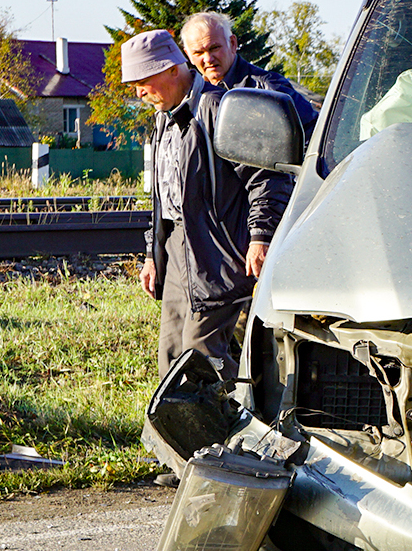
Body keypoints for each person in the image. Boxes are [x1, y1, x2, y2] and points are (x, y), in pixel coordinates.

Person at [121, 29, 293, 467]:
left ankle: (237, 456)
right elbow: (162, 196)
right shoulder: (164, 117)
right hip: (178, 248)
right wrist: (152, 254)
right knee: (171, 355)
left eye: (144, 81)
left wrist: (260, 236)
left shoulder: (218, 108)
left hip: (217, 250)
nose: (140, 93)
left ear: (170, 70)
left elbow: (264, 178)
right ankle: (177, 460)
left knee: (202, 355)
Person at [179, 11, 319, 129]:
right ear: (188, 55)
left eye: (214, 48)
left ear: (233, 44)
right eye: (198, 53)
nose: (208, 58)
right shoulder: (189, 98)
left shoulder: (268, 89)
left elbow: (312, 138)